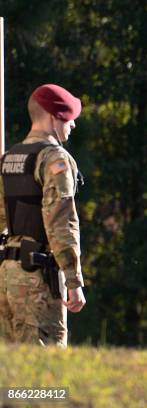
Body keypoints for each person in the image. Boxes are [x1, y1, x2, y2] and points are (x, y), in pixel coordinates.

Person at [0, 84, 86, 347]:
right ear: (52, 116)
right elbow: (61, 221)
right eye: (68, 118)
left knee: (11, 374)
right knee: (43, 378)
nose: (72, 125)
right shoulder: (54, 159)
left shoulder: (9, 158)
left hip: (6, 277)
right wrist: (73, 280)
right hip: (37, 281)